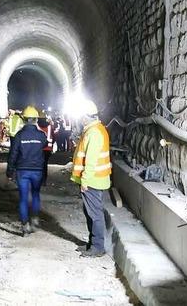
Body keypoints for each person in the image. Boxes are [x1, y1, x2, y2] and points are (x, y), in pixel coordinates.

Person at [70, 99, 111, 258]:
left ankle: (97, 247)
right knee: (90, 213)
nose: (79, 119)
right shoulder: (93, 130)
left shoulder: (94, 133)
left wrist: (85, 181)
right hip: (94, 180)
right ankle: (92, 243)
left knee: (94, 214)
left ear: (86, 117)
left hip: (93, 181)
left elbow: (91, 160)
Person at [6, 105, 47, 236]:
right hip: (37, 170)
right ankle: (34, 218)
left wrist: (9, 170)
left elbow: (13, 154)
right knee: (35, 194)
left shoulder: (19, 136)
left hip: (22, 170)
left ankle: (25, 226)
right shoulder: (41, 136)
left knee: (23, 198)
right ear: (35, 120)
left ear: (24, 119)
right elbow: (45, 149)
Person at [37, 112, 53, 185]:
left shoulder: (37, 126)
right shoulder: (49, 126)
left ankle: (38, 180)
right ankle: (44, 181)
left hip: (39, 149)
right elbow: (53, 137)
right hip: (48, 149)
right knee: (44, 165)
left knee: (38, 165)